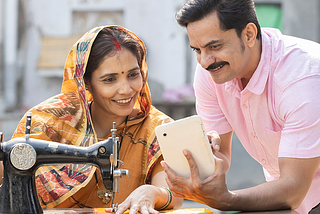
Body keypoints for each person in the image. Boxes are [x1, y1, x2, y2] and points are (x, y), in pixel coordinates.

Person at [0, 25, 183, 213]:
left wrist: (151, 192)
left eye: (133, 75)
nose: (126, 89)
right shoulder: (49, 122)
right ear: (85, 82)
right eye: (110, 79)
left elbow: (173, 195)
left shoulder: (158, 129)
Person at [161, 0, 320, 214]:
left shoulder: (302, 79)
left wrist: (225, 199)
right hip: (287, 199)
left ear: (249, 34)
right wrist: (203, 161)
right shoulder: (212, 74)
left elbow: (293, 189)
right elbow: (221, 159)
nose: (205, 61)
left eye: (214, 46)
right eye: (197, 50)